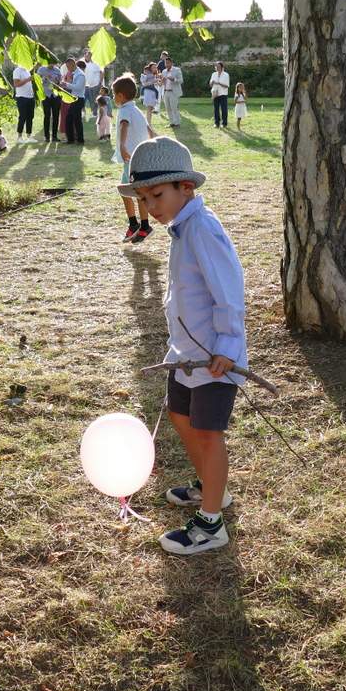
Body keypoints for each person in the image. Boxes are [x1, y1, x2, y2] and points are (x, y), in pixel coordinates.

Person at [117, 136, 246, 556]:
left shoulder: (203, 229)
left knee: (209, 433)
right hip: (186, 354)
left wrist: (227, 345)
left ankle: (212, 524)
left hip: (214, 356)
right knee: (179, 414)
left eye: (156, 195)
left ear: (185, 188)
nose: (150, 206)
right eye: (143, 197)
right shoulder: (181, 228)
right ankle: (212, 487)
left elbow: (227, 290)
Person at [111, 74, 157, 244]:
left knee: (127, 190)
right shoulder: (137, 110)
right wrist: (154, 141)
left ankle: (137, 225)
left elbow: (124, 125)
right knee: (137, 192)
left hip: (131, 159)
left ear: (121, 96)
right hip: (140, 157)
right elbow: (149, 129)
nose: (113, 97)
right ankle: (141, 225)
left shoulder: (124, 110)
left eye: (114, 94)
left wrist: (122, 146)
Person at [54, 58, 86, 144]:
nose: (67, 69)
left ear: (73, 64)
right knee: (69, 119)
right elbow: (70, 86)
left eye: (68, 66)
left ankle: (80, 140)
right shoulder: (73, 73)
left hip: (79, 99)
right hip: (73, 99)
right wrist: (61, 85)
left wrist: (66, 84)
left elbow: (78, 87)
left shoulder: (80, 75)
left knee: (76, 120)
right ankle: (71, 139)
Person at [37, 60, 62, 143]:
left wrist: (57, 81)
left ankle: (54, 136)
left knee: (56, 116)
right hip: (46, 95)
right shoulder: (41, 69)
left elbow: (60, 82)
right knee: (47, 115)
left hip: (55, 96)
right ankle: (46, 136)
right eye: (50, 63)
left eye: (53, 63)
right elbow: (37, 82)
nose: (51, 65)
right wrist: (45, 78)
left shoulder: (57, 70)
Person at [11, 62, 36, 144]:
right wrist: (28, 79)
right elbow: (16, 84)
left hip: (30, 97)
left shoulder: (27, 70)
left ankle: (29, 136)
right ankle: (19, 136)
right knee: (23, 117)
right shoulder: (17, 70)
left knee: (30, 117)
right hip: (21, 97)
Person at [162, 55, 183, 127]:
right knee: (167, 108)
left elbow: (181, 80)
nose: (166, 64)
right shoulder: (164, 71)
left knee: (174, 108)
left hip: (173, 92)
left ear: (171, 63)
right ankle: (172, 122)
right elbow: (162, 83)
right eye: (165, 63)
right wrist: (162, 80)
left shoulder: (177, 70)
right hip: (166, 91)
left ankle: (177, 123)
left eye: (168, 63)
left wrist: (173, 79)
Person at [209, 61, 230, 128]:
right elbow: (210, 84)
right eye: (216, 67)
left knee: (224, 109)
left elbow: (227, 86)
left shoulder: (226, 75)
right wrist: (212, 82)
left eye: (218, 67)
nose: (217, 68)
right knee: (216, 109)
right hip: (215, 93)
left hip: (223, 94)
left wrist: (218, 83)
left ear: (222, 67)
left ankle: (224, 123)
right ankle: (216, 123)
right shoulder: (213, 74)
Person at [82, 49, 102, 118]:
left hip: (94, 85)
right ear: (84, 55)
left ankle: (94, 114)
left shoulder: (95, 64)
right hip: (84, 85)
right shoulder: (81, 63)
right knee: (82, 100)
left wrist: (100, 83)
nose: (88, 56)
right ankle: (83, 113)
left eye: (90, 55)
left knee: (93, 100)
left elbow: (101, 72)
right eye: (87, 55)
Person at [155, 51, 169, 115]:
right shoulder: (160, 63)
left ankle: (168, 110)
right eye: (162, 56)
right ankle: (156, 109)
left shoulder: (169, 62)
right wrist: (158, 75)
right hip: (160, 81)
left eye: (163, 56)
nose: (162, 57)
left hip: (167, 82)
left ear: (166, 56)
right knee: (158, 95)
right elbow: (157, 71)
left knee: (164, 96)